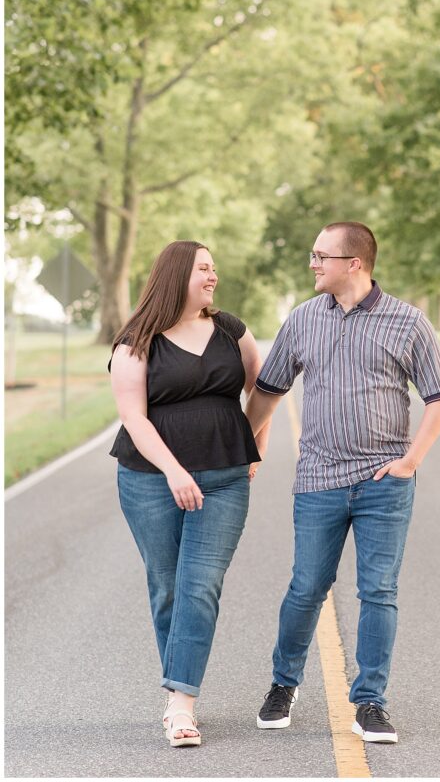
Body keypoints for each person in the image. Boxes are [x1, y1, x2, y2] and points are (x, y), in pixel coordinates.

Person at [245, 221, 440, 744]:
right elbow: (269, 392)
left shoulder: (408, 323)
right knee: (307, 587)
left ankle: (370, 703)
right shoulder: (301, 321)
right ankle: (282, 685)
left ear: (354, 264)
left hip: (384, 482)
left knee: (378, 590)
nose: (312, 263)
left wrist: (409, 462)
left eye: (322, 255)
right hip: (318, 480)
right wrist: (244, 445)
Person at [109, 240, 268, 747]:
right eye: (203, 267)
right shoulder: (136, 340)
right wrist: (175, 471)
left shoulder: (230, 330)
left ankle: (181, 704)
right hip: (150, 480)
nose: (213, 275)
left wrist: (254, 448)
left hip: (223, 478)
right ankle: (180, 689)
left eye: (214, 267)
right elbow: (133, 416)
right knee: (169, 587)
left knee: (200, 585)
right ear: (177, 274)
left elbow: (261, 392)